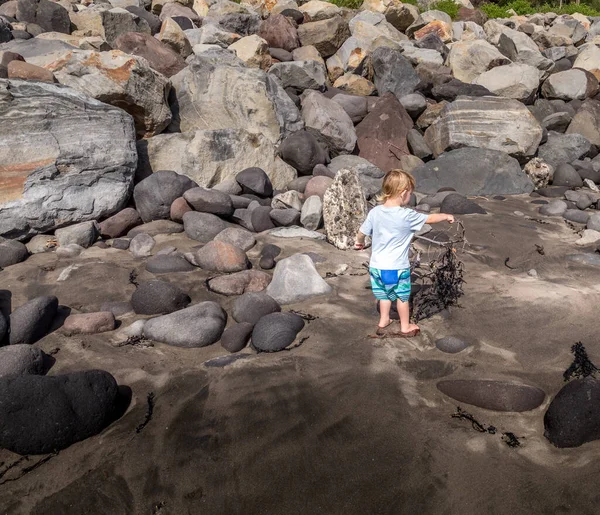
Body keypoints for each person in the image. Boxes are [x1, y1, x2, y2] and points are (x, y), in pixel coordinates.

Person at [354, 170, 455, 337]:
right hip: (397, 268)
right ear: (403, 193)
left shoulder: (375, 212)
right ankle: (405, 326)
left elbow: (361, 232)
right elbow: (429, 218)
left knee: (384, 295)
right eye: (410, 192)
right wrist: (445, 215)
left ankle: (383, 320)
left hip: (376, 266)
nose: (410, 195)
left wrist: (360, 243)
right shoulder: (406, 215)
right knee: (402, 297)